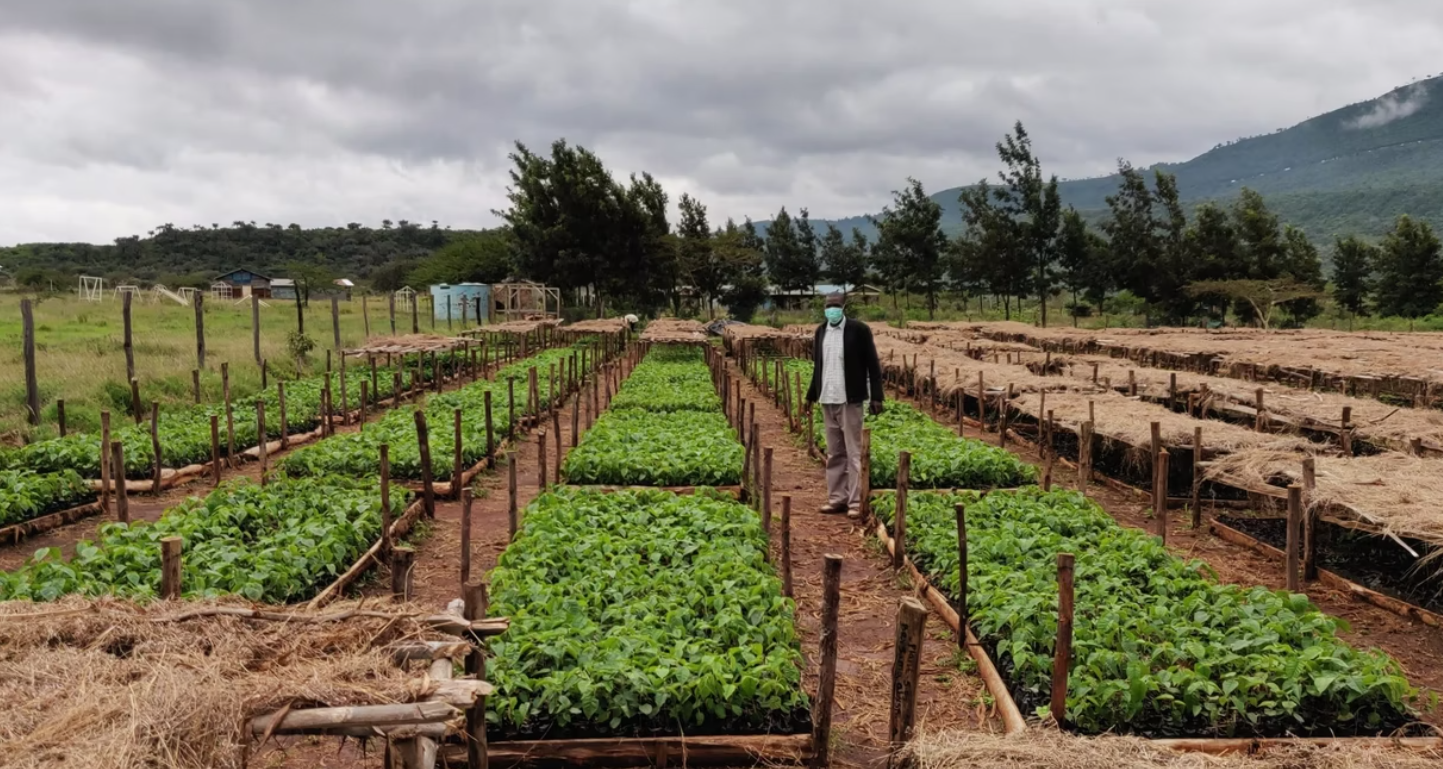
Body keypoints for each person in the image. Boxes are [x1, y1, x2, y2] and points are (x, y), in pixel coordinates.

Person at [804, 293, 883, 516]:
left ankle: (856, 502)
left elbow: (873, 365)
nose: (832, 310)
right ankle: (837, 498)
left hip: (850, 399)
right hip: (827, 398)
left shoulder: (859, 330)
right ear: (824, 308)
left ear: (844, 306)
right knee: (834, 453)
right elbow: (818, 367)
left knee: (854, 452)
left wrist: (876, 396)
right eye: (829, 306)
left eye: (836, 306)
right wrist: (810, 396)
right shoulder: (821, 332)